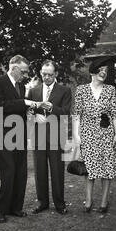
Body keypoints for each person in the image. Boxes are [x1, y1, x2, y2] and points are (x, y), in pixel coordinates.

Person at [0, 55, 36, 223]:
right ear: (14, 67)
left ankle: (16, 207)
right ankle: (0, 210)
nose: (25, 75)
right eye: (23, 71)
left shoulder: (22, 86)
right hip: (3, 134)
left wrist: (28, 111)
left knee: (20, 172)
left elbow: (19, 108)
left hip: (20, 134)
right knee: (8, 173)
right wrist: (24, 103)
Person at [72, 57, 116, 213]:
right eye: (101, 69)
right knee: (89, 169)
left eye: (106, 70)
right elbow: (77, 114)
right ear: (93, 72)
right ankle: (88, 200)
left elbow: (113, 113)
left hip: (106, 133)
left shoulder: (110, 90)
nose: (104, 72)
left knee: (107, 168)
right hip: (87, 133)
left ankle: (104, 202)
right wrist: (76, 135)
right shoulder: (81, 90)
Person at [28, 60, 72, 215]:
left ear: (56, 74)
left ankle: (60, 204)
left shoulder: (64, 91)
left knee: (57, 171)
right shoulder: (33, 91)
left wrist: (52, 108)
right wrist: (34, 117)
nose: (46, 77)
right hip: (38, 137)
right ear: (40, 73)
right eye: (44, 74)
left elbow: (66, 112)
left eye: (50, 74)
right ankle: (42, 203)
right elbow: (28, 112)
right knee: (40, 171)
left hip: (56, 137)